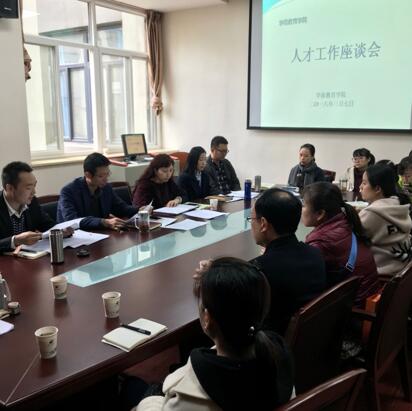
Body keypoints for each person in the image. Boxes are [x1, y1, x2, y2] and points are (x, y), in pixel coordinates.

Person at [130, 257, 293, 411]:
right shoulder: (278, 362)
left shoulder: (187, 397)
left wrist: (150, 398)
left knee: (133, 387)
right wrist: (220, 276)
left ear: (207, 318)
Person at [249, 188, 327, 335]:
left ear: (263, 224)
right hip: (311, 338)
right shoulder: (315, 253)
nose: (251, 224)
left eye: (251, 219)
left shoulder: (259, 270)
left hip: (273, 344)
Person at [302, 182, 379, 306]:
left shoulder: (321, 242)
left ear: (320, 214)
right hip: (367, 298)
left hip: (355, 310)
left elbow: (305, 284)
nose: (301, 209)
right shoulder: (345, 222)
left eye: (304, 205)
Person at [57, 153, 137, 231]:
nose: (106, 179)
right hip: (73, 236)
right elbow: (72, 220)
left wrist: (139, 210)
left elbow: (121, 208)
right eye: (101, 176)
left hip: (100, 233)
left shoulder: (106, 187)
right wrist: (104, 222)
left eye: (107, 174)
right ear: (88, 175)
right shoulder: (68, 191)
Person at [359, 164, 412, 276]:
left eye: (364, 183)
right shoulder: (399, 205)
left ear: (377, 189)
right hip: (404, 269)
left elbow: (351, 239)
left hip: (382, 274)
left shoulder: (372, 213)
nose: (360, 187)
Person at [0, 161, 55, 252]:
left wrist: (61, 231)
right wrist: (15, 241)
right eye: (28, 188)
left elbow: (48, 225)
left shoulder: (32, 202)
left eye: (34, 186)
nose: (34, 192)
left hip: (29, 257)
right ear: (10, 188)